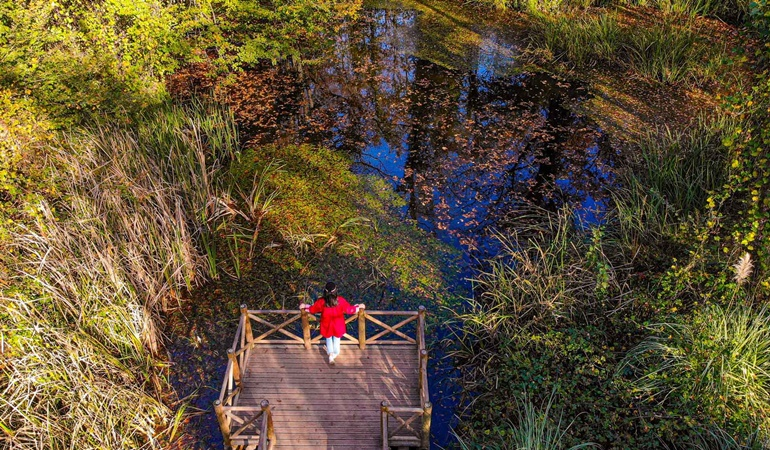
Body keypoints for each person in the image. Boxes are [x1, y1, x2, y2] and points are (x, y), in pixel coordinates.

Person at [300, 282, 363, 364]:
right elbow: (350, 310)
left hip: (326, 324)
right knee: (336, 339)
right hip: (338, 325)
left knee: (328, 338)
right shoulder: (340, 300)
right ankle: (334, 354)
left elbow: (312, 309)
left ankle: (330, 354)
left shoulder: (321, 301)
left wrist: (304, 306)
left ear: (325, 291)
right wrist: (359, 306)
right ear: (335, 290)